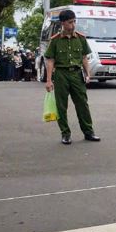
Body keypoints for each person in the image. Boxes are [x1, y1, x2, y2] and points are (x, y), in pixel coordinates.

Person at [44, 9, 101, 145]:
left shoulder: (81, 38)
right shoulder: (55, 40)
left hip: (76, 74)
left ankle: (88, 132)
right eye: (70, 22)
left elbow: (84, 58)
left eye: (74, 21)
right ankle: (65, 133)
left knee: (82, 104)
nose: (73, 24)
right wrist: (48, 80)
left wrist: (88, 73)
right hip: (61, 75)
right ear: (63, 23)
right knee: (61, 106)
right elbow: (50, 60)